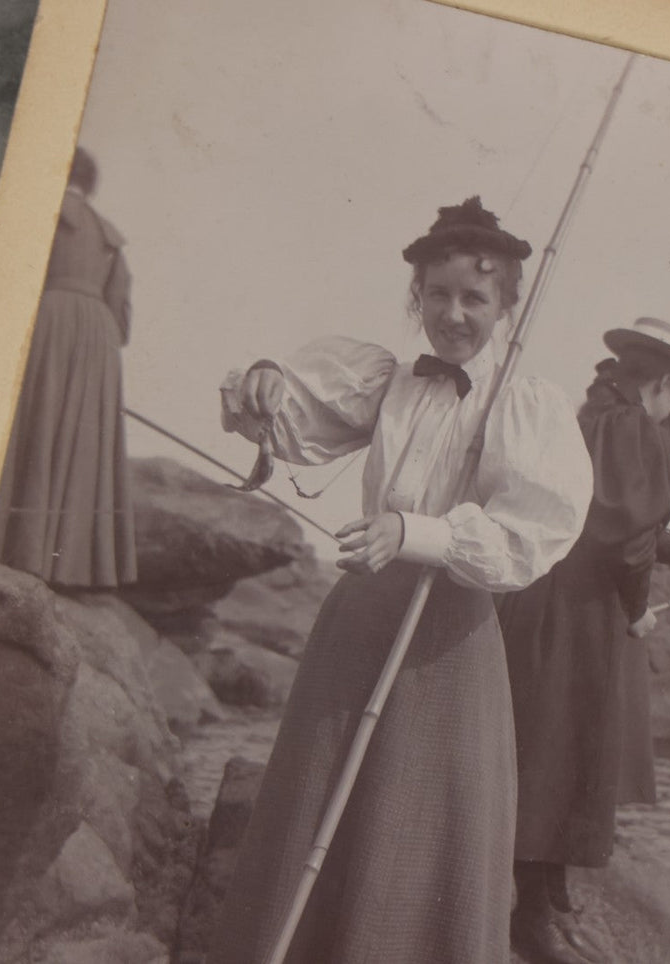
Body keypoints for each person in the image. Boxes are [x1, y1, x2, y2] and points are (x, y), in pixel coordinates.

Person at [207, 197, 592, 964]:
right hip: (362, 619)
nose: (453, 314)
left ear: (505, 307)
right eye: (437, 295)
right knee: (319, 815)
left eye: (474, 298)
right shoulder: (390, 380)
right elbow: (293, 418)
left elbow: (533, 533)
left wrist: (417, 533)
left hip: (445, 637)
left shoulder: (518, 403)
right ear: (415, 298)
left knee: (415, 823)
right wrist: (262, 387)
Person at [497, 319, 670, 964]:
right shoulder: (636, 430)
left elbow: (626, 523)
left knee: (542, 743)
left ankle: (544, 895)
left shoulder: (590, 418)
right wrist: (637, 611)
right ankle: (533, 914)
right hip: (583, 611)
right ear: (667, 384)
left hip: (539, 597)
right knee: (570, 746)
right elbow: (630, 536)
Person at [0, 146, 137, 588]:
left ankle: (11, 548)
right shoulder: (110, 238)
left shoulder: (40, 214)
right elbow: (122, 317)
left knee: (31, 423)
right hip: (100, 337)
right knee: (80, 442)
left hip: (48, 317)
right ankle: (65, 567)